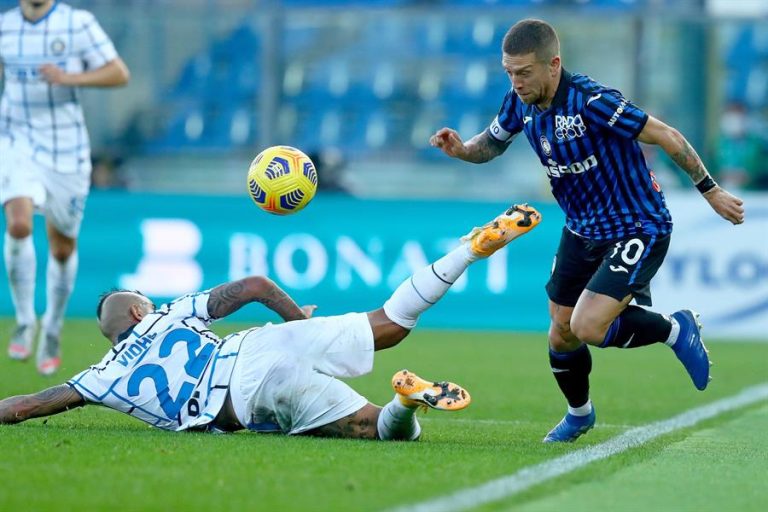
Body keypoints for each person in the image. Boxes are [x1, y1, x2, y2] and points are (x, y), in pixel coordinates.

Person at [430, 19, 745, 443]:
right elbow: (492, 143)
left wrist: (710, 191)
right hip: (582, 229)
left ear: (553, 64)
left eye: (524, 72)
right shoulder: (518, 103)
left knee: (588, 327)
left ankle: (675, 328)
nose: (516, 81)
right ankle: (579, 414)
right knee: (560, 330)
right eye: (509, 72)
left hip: (638, 224)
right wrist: (462, 151)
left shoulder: (592, 101)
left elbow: (665, 135)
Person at [0, 205, 541, 439]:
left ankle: (404, 400)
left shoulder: (101, 377)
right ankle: (468, 251)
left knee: (378, 428)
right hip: (257, 345)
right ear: (140, 309)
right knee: (391, 321)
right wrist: (295, 318)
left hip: (246, 394)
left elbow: (24, 407)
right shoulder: (167, 315)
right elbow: (256, 286)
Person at [0, 0, 130, 375]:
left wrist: (70, 78)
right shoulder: (5, 27)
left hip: (66, 150)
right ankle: (25, 320)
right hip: (15, 141)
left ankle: (52, 326)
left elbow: (119, 73)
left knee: (62, 248)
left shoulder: (77, 24)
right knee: (19, 224)